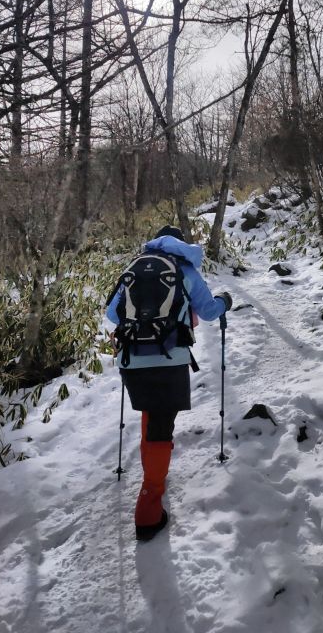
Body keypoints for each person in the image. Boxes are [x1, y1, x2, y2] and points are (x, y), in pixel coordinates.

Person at [105, 225, 232, 541]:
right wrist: (224, 301)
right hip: (169, 361)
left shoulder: (134, 267)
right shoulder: (185, 269)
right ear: (181, 244)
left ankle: (153, 476)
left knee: (152, 418)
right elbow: (209, 312)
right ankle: (149, 508)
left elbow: (112, 314)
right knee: (161, 427)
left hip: (133, 362)